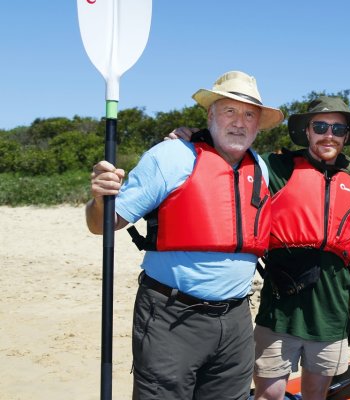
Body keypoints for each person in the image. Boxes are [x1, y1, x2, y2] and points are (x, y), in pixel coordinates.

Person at [86, 70, 284, 399]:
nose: (239, 122)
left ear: (258, 124)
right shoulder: (171, 156)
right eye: (229, 110)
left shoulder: (260, 167)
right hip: (172, 316)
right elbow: (103, 224)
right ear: (210, 115)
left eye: (249, 114)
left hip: (236, 319)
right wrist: (98, 199)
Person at [168, 96, 350, 400]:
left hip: (331, 310)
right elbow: (232, 155)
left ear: (346, 136)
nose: (329, 135)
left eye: (337, 130)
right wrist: (196, 138)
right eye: (321, 126)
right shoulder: (278, 167)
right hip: (281, 307)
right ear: (308, 131)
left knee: (316, 395)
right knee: (269, 395)